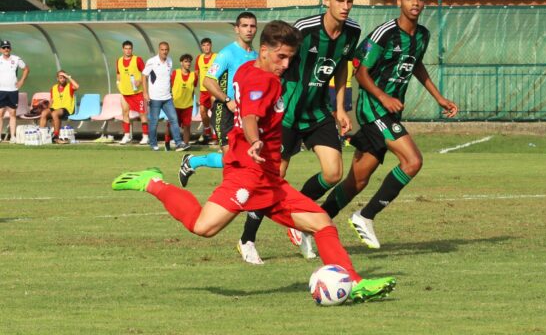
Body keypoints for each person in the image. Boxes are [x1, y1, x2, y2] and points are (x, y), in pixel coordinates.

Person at [111, 20, 396, 303]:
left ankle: (354, 283)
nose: (285, 64)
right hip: (247, 174)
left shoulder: (248, 68)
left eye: (290, 58)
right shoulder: (266, 80)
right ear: (263, 51)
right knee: (202, 227)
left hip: (269, 177)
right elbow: (250, 116)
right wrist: (254, 139)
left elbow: (249, 107)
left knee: (322, 223)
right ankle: (153, 182)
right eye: (280, 56)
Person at [321, 0, 459, 249]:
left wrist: (439, 97)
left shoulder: (422, 35)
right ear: (399, 1)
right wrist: (383, 97)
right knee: (413, 161)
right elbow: (359, 69)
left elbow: (416, 65)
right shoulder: (385, 32)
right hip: (374, 110)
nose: (415, 3)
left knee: (357, 180)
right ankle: (365, 216)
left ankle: (315, 222)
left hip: (389, 113)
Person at [242, 0, 362, 261]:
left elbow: (342, 67)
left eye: (349, 2)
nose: (345, 7)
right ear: (326, 0)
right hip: (287, 115)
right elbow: (276, 60)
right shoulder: (305, 30)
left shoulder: (352, 32)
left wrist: (341, 107)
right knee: (274, 177)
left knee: (333, 173)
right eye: (339, 1)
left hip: (318, 113)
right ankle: (247, 239)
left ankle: (298, 221)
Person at [178, 12, 261, 264]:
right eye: (244, 26)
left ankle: (192, 162)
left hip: (247, 115)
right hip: (226, 112)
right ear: (236, 29)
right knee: (232, 162)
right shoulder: (226, 53)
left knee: (240, 164)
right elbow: (207, 80)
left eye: (252, 26)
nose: (249, 30)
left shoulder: (256, 56)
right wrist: (227, 100)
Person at [142, 41, 190, 152]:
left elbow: (168, 78)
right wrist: (145, 92)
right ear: (159, 50)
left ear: (168, 50)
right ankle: (153, 144)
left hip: (167, 97)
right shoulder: (152, 61)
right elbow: (144, 76)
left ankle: (178, 143)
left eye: (166, 50)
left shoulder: (170, 61)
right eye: (162, 50)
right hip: (155, 98)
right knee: (154, 122)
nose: (164, 52)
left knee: (174, 119)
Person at [116, 40, 149, 145]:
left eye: (130, 48)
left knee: (142, 114)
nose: (128, 50)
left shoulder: (137, 60)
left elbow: (146, 74)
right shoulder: (119, 60)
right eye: (126, 48)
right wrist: (119, 84)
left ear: (132, 49)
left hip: (137, 93)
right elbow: (118, 74)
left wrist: (139, 81)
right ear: (122, 49)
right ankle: (126, 136)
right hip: (125, 93)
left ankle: (145, 136)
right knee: (125, 113)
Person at [164, 54, 198, 148]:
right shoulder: (175, 73)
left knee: (187, 126)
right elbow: (169, 85)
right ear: (181, 63)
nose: (188, 63)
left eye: (189, 61)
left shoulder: (193, 75)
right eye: (186, 61)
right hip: (175, 105)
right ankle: (167, 142)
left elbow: (193, 88)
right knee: (171, 125)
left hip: (188, 105)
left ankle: (185, 144)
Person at [0, 40, 29, 143]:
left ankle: (12, 137)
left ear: (10, 49)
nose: (6, 49)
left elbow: (26, 69)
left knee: (12, 113)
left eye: (7, 47)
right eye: (4, 47)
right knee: (0, 113)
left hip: (13, 90)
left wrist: (21, 81)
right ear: (0, 49)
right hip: (1, 91)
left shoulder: (16, 59)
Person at [39, 70, 80, 143]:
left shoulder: (69, 86)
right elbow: (51, 100)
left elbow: (77, 86)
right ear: (57, 79)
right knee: (44, 113)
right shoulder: (53, 88)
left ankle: (56, 137)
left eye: (64, 77)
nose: (63, 79)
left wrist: (68, 77)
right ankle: (42, 136)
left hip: (66, 109)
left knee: (55, 113)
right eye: (61, 78)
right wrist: (49, 110)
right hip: (55, 108)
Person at [194, 38, 217, 144]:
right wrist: (193, 86)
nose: (206, 47)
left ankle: (216, 135)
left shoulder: (216, 57)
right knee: (203, 111)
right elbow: (196, 73)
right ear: (201, 47)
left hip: (214, 89)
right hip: (203, 91)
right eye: (204, 45)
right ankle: (207, 132)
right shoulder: (199, 58)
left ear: (211, 45)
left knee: (215, 112)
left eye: (208, 45)